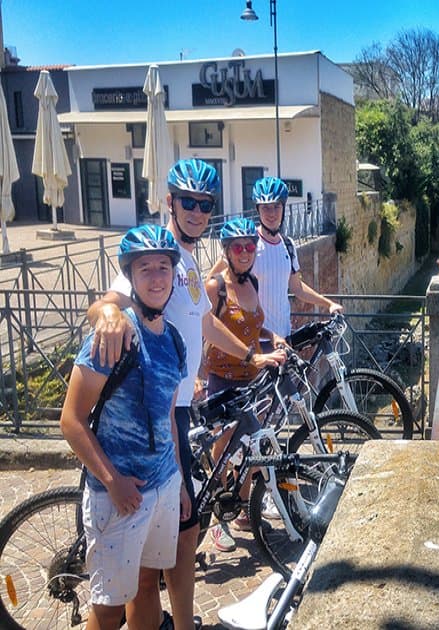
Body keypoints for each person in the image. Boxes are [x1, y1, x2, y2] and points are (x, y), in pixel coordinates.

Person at [86, 159, 284, 630]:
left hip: (177, 410)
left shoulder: (189, 262)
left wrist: (250, 356)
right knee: (178, 531)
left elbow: (204, 322)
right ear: (170, 202)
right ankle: (178, 621)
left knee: (182, 529)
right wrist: (106, 315)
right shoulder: (158, 251)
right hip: (152, 417)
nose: (196, 212)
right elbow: (109, 302)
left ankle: (177, 620)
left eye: (204, 204)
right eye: (188, 202)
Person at [62, 225, 189, 630]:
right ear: (130, 276)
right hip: (120, 494)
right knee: (108, 608)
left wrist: (179, 481)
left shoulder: (174, 340)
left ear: (174, 274)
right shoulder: (114, 337)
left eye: (163, 267)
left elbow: (167, 418)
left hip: (163, 485)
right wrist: (112, 481)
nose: (156, 277)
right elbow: (71, 420)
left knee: (148, 584)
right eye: (145, 268)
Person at [202, 217, 285, 552]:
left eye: (250, 246)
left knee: (251, 446)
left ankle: (243, 510)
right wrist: (197, 376)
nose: (245, 252)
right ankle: (218, 521)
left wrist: (273, 336)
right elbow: (204, 328)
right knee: (222, 452)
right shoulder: (216, 287)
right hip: (223, 379)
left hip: (251, 380)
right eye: (237, 247)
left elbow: (253, 324)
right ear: (227, 251)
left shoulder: (251, 282)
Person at [209, 176, 342, 342]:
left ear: (283, 207)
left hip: (283, 338)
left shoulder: (288, 245)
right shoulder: (246, 245)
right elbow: (212, 281)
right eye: (265, 208)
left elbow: (297, 287)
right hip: (253, 341)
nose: (271, 213)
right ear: (258, 210)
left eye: (276, 207)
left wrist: (328, 304)